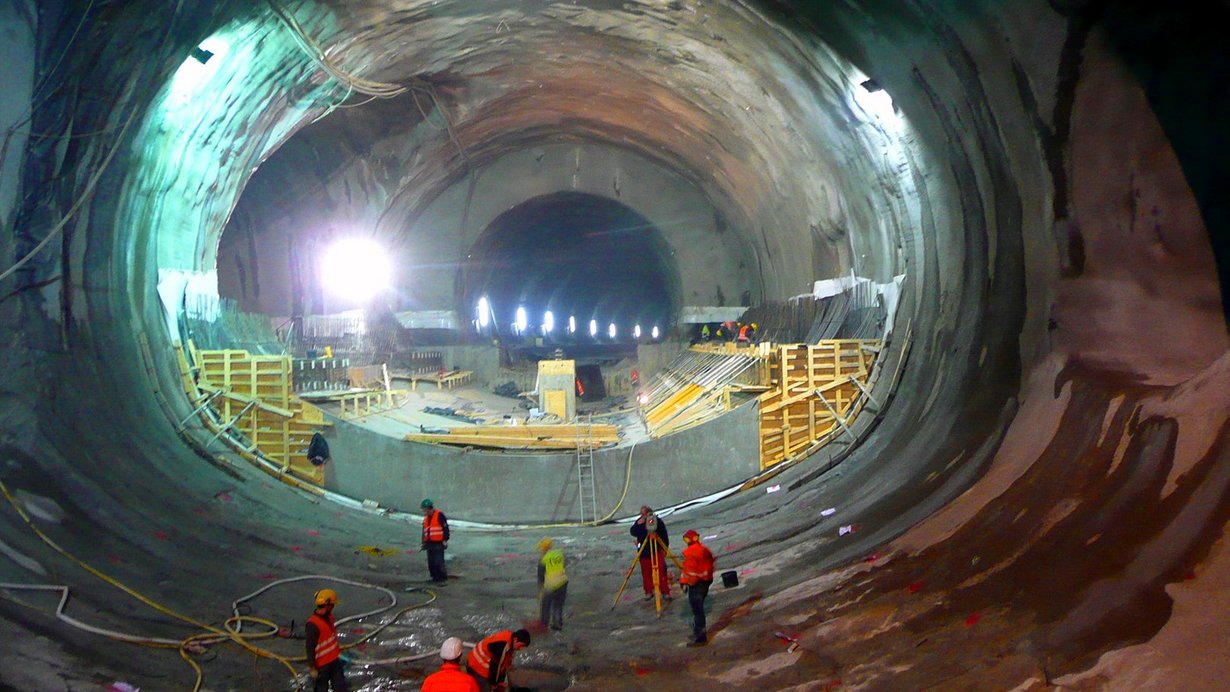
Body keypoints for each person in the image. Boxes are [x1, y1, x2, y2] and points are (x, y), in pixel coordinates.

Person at [305, 588, 349, 691]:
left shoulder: (329, 617)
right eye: (332, 605)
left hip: (334, 660)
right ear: (328, 605)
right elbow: (309, 647)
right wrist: (313, 668)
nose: (333, 607)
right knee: (321, 689)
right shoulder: (312, 624)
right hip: (321, 665)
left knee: (340, 687)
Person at [679, 529, 716, 646]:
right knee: (699, 609)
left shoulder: (689, 554)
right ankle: (697, 632)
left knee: (698, 611)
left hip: (696, 584)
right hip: (706, 581)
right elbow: (711, 562)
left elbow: (689, 572)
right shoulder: (704, 550)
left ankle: (700, 637)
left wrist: (684, 583)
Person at [466, 629, 531, 691]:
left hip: (477, 660)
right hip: (476, 665)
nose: (521, 649)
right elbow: (495, 665)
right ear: (515, 639)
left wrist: (500, 681)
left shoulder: (510, 641)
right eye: (521, 645)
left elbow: (503, 665)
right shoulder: (502, 645)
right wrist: (494, 684)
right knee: (486, 689)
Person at [630, 506, 671, 600]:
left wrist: (665, 549)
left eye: (644, 514)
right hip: (644, 552)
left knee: (661, 572)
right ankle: (648, 591)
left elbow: (664, 535)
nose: (642, 516)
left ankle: (665, 592)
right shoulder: (639, 522)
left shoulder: (657, 521)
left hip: (656, 550)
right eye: (641, 514)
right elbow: (633, 532)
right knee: (646, 573)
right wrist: (638, 525)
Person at [537, 538, 568, 631]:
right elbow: (564, 565)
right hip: (563, 581)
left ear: (544, 549)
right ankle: (557, 623)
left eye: (541, 549)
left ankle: (544, 625)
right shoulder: (559, 553)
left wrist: (541, 589)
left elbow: (541, 576)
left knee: (546, 605)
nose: (541, 551)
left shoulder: (543, 559)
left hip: (551, 584)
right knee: (558, 605)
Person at [421, 498, 450, 584]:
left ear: (429, 508)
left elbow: (445, 528)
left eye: (425, 509)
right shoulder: (426, 519)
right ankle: (434, 577)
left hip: (438, 542)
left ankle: (441, 578)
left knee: (438, 562)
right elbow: (424, 531)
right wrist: (423, 542)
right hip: (429, 543)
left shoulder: (439, 515)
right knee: (431, 562)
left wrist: (445, 539)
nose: (425, 511)